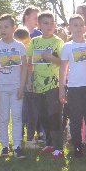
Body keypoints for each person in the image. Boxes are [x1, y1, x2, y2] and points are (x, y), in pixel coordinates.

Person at [59, 14, 86, 158]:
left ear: (85, 28)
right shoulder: (67, 47)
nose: (78, 28)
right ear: (69, 28)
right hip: (74, 88)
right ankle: (77, 146)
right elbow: (63, 69)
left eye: (81, 25)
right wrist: (61, 88)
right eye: (75, 25)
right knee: (75, 118)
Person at [27, 11, 65, 159]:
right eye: (45, 23)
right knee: (43, 116)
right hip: (37, 85)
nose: (49, 26)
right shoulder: (34, 42)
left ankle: (58, 148)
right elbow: (30, 63)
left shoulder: (58, 42)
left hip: (53, 85)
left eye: (52, 23)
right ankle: (49, 144)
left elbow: (63, 63)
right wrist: (29, 81)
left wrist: (51, 57)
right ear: (39, 25)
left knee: (54, 116)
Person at [0, 14, 28, 159]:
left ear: (13, 28)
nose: (2, 30)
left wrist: (21, 87)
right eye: (0, 27)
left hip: (16, 87)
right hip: (1, 88)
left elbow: (24, 68)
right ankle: (5, 146)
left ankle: (17, 146)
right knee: (3, 117)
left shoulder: (20, 46)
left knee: (17, 117)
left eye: (6, 27)